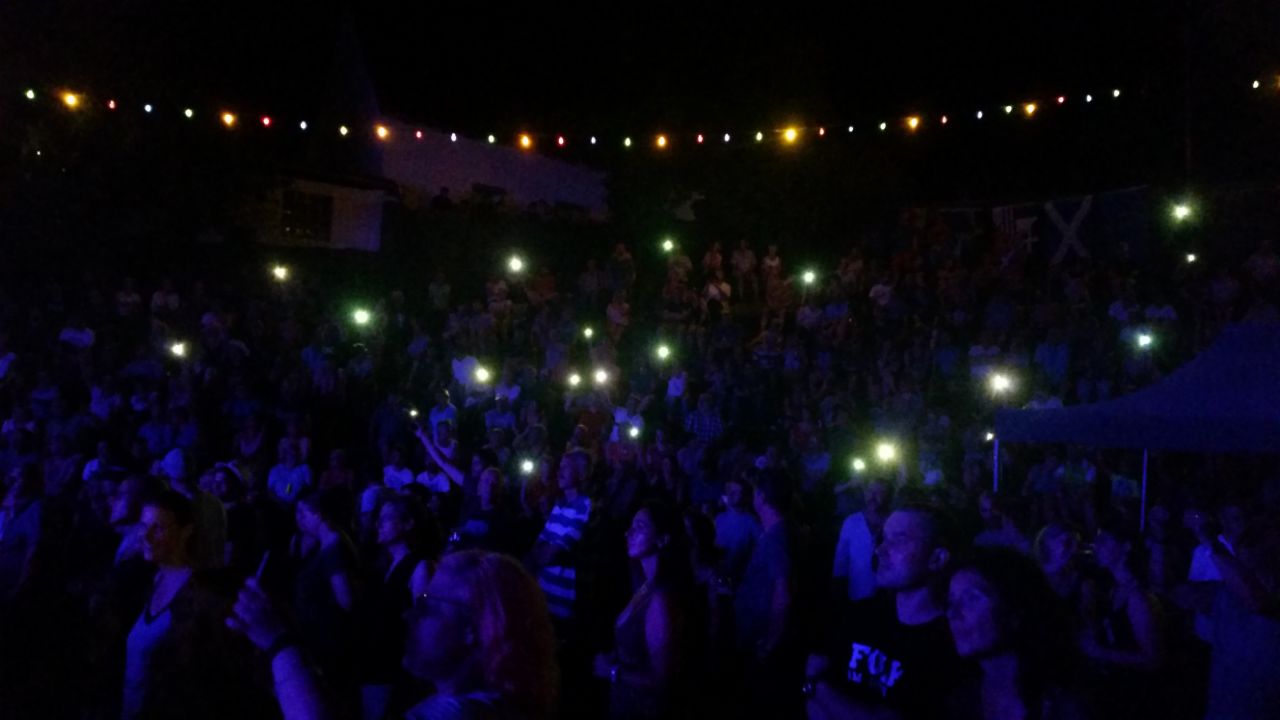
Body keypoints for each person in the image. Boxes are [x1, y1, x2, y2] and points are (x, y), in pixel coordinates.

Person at [805, 502, 962, 720]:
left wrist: (817, 688)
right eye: (883, 538)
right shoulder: (862, 614)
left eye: (899, 540)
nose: (880, 550)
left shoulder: (953, 643)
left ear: (937, 558)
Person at [122, 491, 249, 719]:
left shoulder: (202, 596)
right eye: (143, 526)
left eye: (158, 528)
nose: (146, 536)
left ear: (186, 532)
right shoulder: (152, 578)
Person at [945, 548, 1089, 719]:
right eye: (951, 601)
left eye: (972, 598)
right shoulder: (962, 701)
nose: (953, 613)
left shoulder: (1064, 703)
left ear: (1015, 607)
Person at [592, 502, 695, 719]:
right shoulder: (644, 584)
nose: (628, 532)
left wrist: (613, 671)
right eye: (631, 525)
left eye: (640, 526)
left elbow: (662, 681)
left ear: (663, 539)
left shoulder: (660, 601)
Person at [361, 495, 437, 720]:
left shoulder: (420, 567)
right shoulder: (384, 564)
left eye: (386, 518)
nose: (378, 524)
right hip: (375, 661)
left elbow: (423, 622)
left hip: (393, 666)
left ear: (408, 523)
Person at [733, 470, 800, 716]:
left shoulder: (776, 537)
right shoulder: (777, 531)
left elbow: (784, 594)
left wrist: (770, 641)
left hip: (760, 639)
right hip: (756, 632)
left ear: (761, 496)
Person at [291, 489, 361, 697]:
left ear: (319, 514)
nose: (298, 519)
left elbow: (346, 599)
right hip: (322, 636)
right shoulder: (326, 545)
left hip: (328, 640)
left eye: (303, 513)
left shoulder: (334, 549)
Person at [530, 451, 594, 625]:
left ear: (581, 473)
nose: (559, 472)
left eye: (565, 467)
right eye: (559, 467)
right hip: (544, 592)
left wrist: (542, 554)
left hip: (561, 600)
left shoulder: (585, 505)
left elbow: (551, 554)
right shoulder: (559, 505)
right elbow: (538, 546)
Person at [833, 478, 891, 603]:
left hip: (887, 597)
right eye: (870, 491)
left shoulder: (893, 523)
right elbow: (841, 559)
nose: (873, 496)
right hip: (857, 594)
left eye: (879, 492)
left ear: (887, 496)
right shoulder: (851, 522)